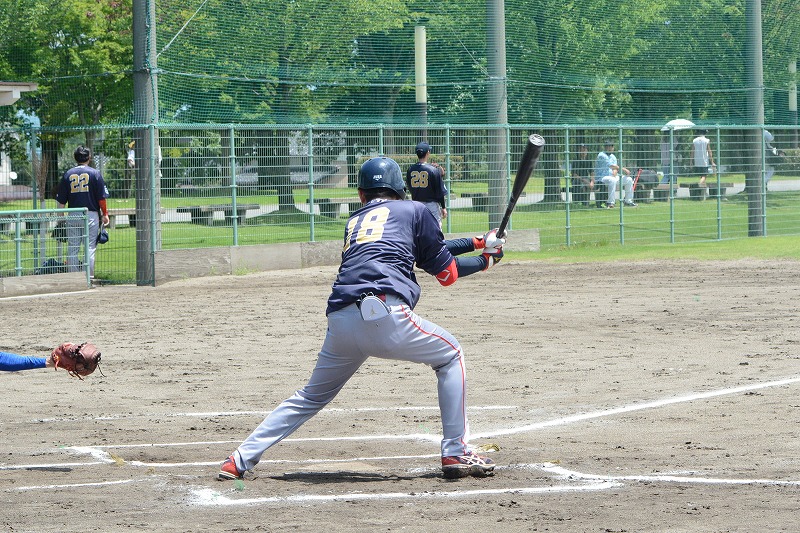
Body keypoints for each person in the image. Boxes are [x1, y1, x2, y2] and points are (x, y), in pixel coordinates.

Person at [217, 156, 505, 481]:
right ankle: (456, 450)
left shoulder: (356, 221)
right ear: (400, 189)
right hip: (386, 315)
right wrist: (486, 261)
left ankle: (239, 459)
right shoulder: (416, 210)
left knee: (311, 396)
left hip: (341, 320)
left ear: (361, 194)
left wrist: (477, 242)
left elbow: (421, 252)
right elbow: (446, 273)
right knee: (451, 355)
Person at [55, 146, 110, 277]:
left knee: (73, 248)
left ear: (75, 158)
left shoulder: (68, 174)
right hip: (90, 215)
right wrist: (105, 214)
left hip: (73, 214)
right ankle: (89, 278)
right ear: (89, 158)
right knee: (89, 247)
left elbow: (61, 201)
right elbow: (101, 199)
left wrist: (61, 217)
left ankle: (74, 279)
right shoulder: (95, 173)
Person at [405, 141, 448, 227]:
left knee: (419, 229)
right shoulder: (433, 170)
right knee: (435, 230)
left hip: (416, 205)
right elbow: (439, 192)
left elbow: (409, 187)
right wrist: (443, 207)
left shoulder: (410, 169)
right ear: (428, 153)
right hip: (431, 205)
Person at [594, 140, 636, 208]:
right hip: (602, 177)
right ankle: (610, 202)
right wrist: (624, 169)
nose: (609, 148)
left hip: (612, 176)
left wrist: (614, 173)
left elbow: (615, 168)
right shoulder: (601, 155)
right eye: (607, 146)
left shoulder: (613, 156)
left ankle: (628, 201)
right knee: (612, 180)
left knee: (629, 179)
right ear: (605, 147)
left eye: (611, 146)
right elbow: (611, 166)